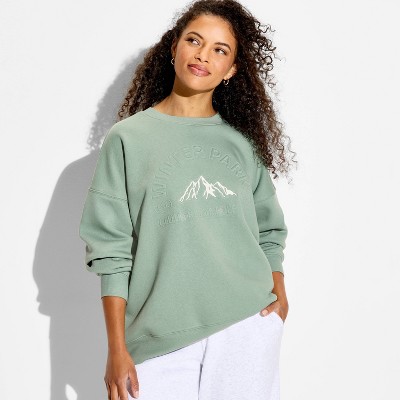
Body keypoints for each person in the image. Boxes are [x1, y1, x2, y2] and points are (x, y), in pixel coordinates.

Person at [79, 0, 296, 399]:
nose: (203, 55)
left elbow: (269, 230)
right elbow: (110, 250)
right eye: (194, 41)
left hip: (247, 324)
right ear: (174, 47)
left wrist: (278, 293)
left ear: (231, 70)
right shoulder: (128, 139)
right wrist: (116, 348)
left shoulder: (240, 144)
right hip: (157, 336)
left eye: (219, 49)